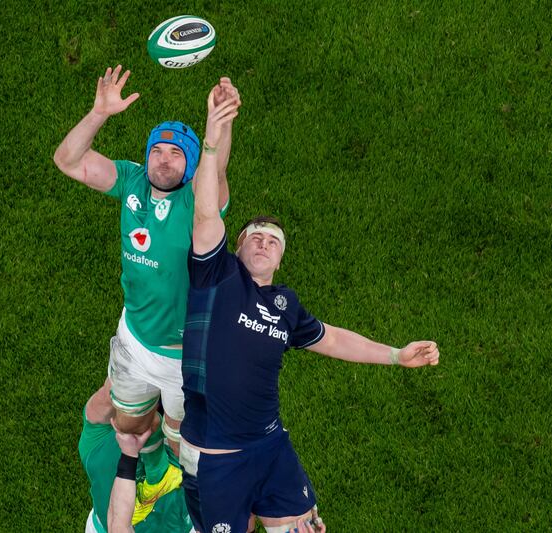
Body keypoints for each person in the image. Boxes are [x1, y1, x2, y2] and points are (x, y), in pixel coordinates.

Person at [178, 90, 441, 533]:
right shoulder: (216, 275)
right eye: (255, 237)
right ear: (236, 247)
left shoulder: (286, 306)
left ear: (280, 260)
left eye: (273, 241)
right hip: (218, 459)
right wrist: (211, 140)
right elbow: (206, 212)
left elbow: (331, 338)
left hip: (271, 449)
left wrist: (397, 354)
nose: (263, 242)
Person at [54, 65, 240, 510]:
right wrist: (99, 113)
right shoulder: (131, 180)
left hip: (186, 357)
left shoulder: (199, 201)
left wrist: (219, 123)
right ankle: (155, 476)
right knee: (129, 425)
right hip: (135, 342)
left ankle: (194, 498)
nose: (163, 159)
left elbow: (218, 168)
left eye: (176, 153)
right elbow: (68, 161)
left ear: (192, 166)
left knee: (182, 438)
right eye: (157, 150)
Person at [80, 380, 195, 533]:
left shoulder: (98, 448)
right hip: (179, 514)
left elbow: (118, 526)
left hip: (108, 519)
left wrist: (129, 455)